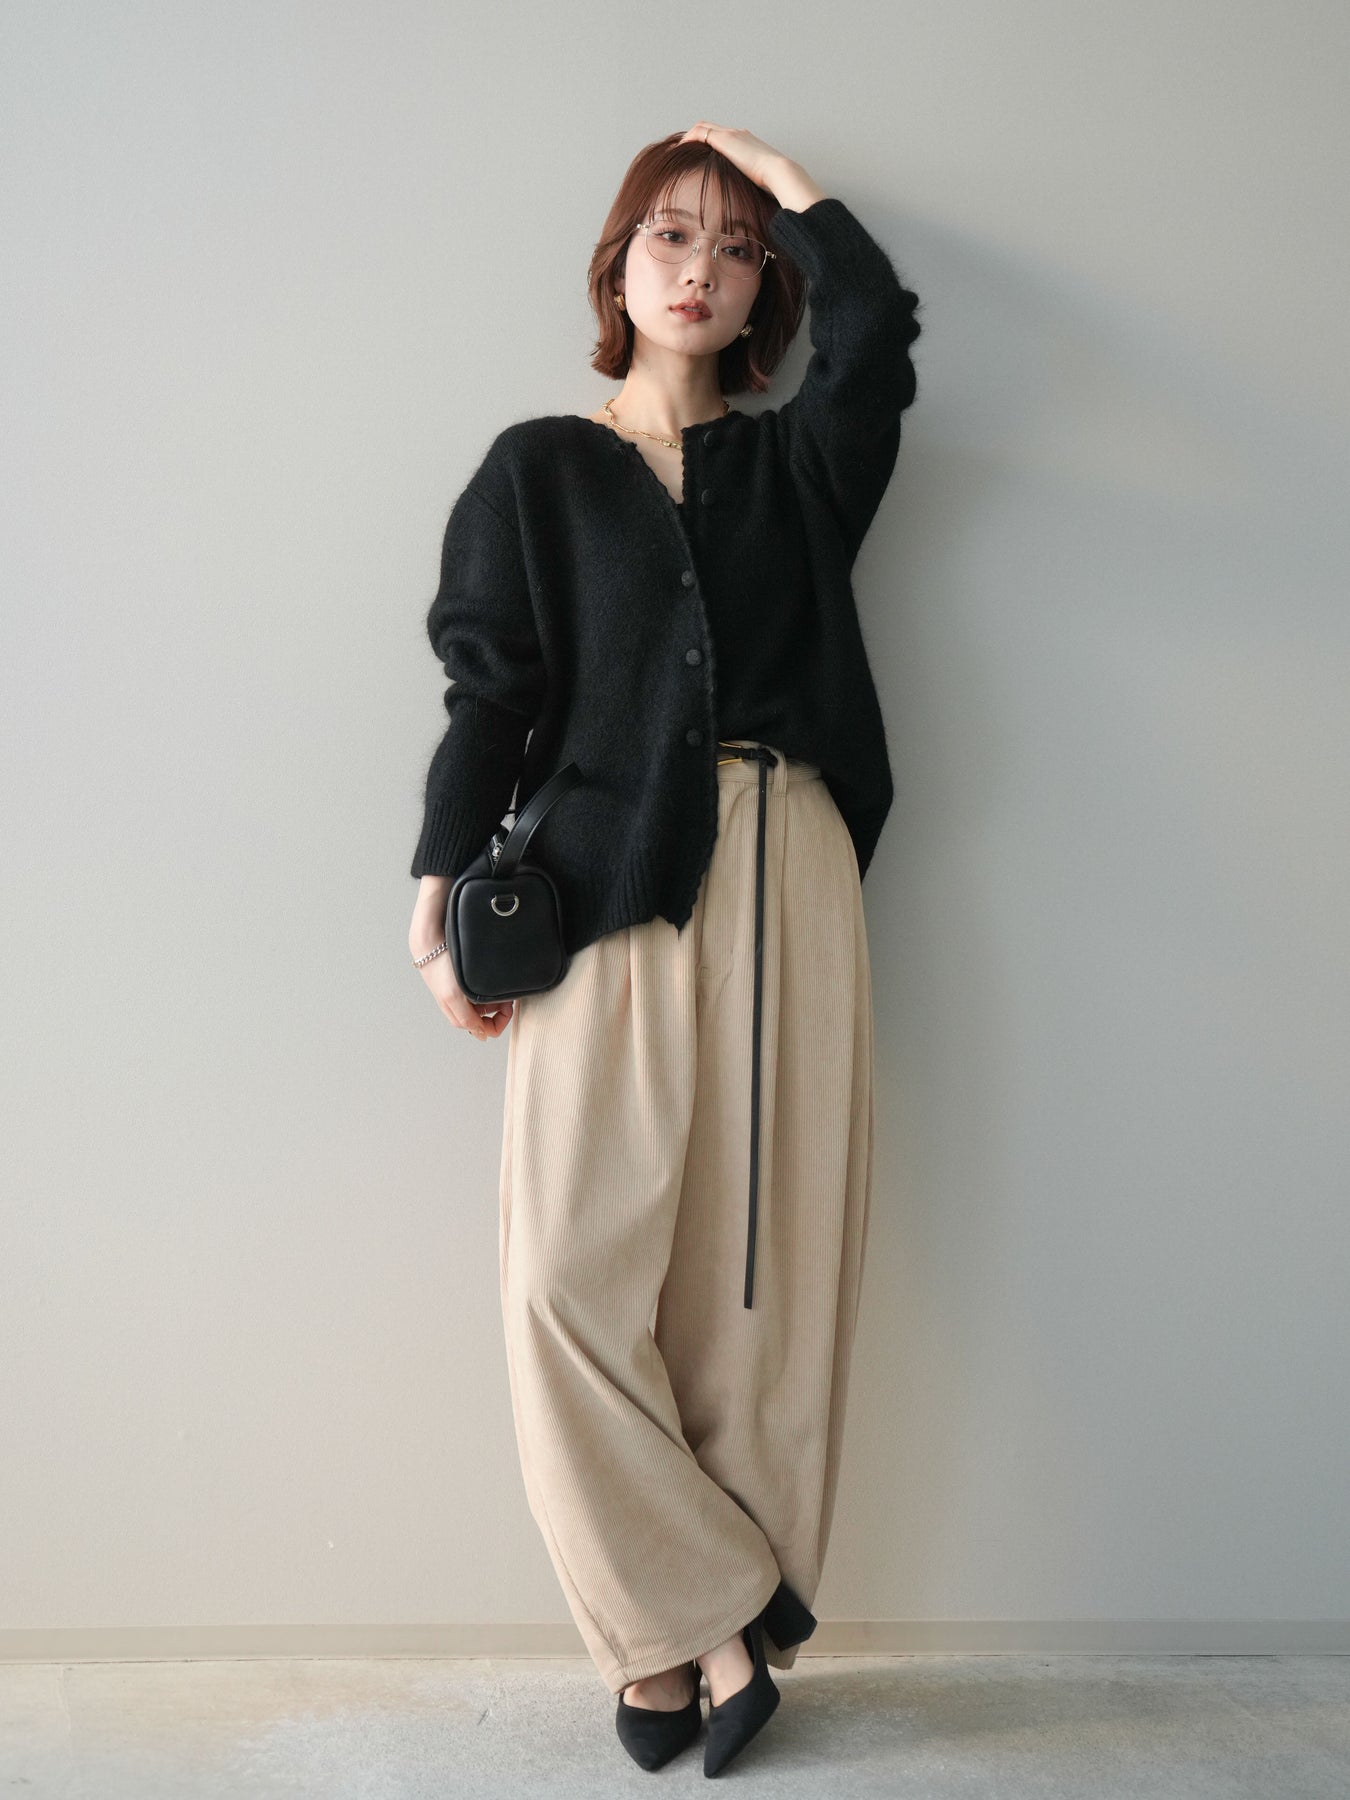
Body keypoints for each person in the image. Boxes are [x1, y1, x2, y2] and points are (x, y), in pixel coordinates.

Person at [408, 121, 922, 1776]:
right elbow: (491, 695)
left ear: (766, 286)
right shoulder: (535, 471)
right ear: (615, 268)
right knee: (565, 1278)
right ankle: (694, 1614)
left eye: (734, 246)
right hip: (603, 880)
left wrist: (776, 174)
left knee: (757, 1286)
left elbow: (878, 331)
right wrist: (435, 887)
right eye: (669, 236)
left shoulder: (800, 465)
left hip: (791, 862)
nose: (701, 267)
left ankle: (690, 1640)